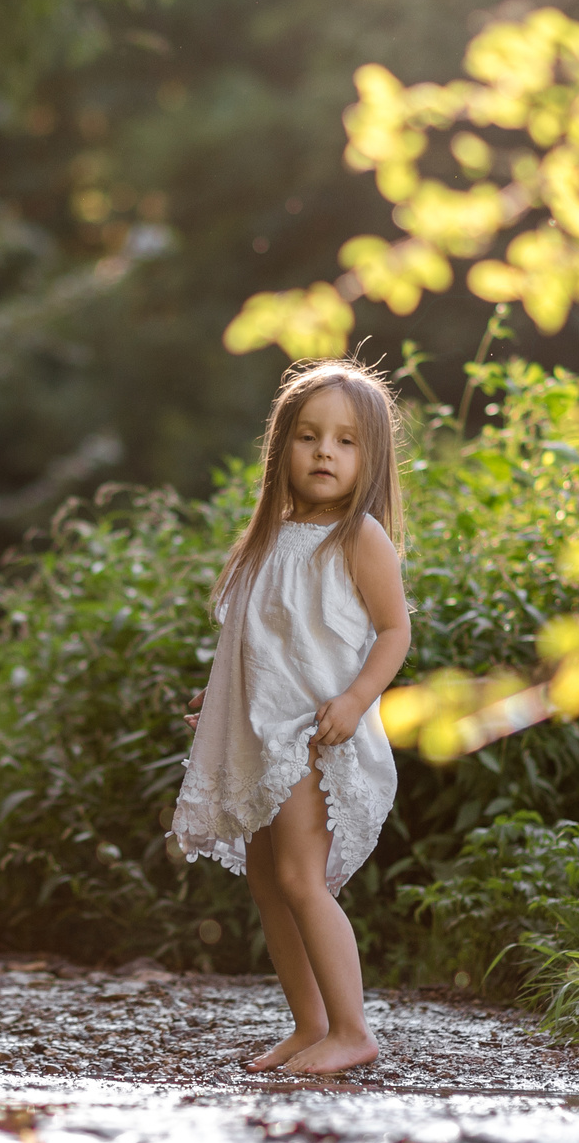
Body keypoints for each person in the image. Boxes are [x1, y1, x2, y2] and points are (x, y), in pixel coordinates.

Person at [170, 359, 412, 1075]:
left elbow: (394, 631)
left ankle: (352, 1029)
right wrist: (221, 699)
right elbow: (257, 641)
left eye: (345, 441)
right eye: (308, 437)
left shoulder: (359, 538)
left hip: (314, 735)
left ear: (370, 457)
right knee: (266, 880)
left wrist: (356, 699)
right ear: (282, 448)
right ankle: (311, 1025)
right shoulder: (268, 537)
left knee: (302, 878)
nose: (324, 452)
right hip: (261, 732)